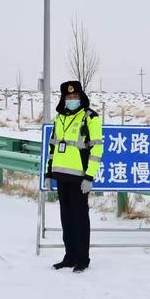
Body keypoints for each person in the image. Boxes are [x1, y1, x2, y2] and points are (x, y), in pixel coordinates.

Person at [44, 81, 103, 273]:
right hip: (61, 176)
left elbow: (97, 148)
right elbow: (53, 147)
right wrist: (48, 172)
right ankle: (69, 256)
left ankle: (82, 259)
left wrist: (89, 176)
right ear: (63, 99)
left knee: (79, 219)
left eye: (75, 97)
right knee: (66, 218)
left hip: (79, 178)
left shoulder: (90, 117)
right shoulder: (59, 118)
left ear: (81, 97)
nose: (71, 100)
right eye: (68, 98)